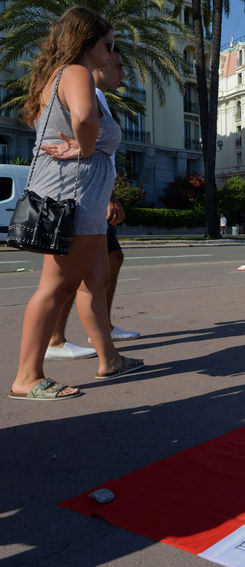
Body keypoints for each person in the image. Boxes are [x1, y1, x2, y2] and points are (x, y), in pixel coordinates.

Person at [10, 7, 144, 401]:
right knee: (56, 286)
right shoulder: (76, 72)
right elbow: (84, 118)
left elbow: (83, 120)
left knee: (93, 282)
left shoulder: (63, 75)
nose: (112, 52)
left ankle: (110, 359)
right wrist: (84, 147)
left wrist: (85, 147)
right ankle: (27, 375)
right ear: (88, 44)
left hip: (82, 196)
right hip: (75, 195)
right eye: (109, 44)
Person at [43, 47, 139, 362]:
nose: (124, 73)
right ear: (100, 61)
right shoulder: (81, 87)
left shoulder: (98, 97)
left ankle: (107, 352)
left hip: (94, 195)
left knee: (98, 270)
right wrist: (108, 195)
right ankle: (50, 349)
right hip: (83, 196)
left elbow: (99, 151)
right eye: (118, 62)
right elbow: (84, 142)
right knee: (68, 280)